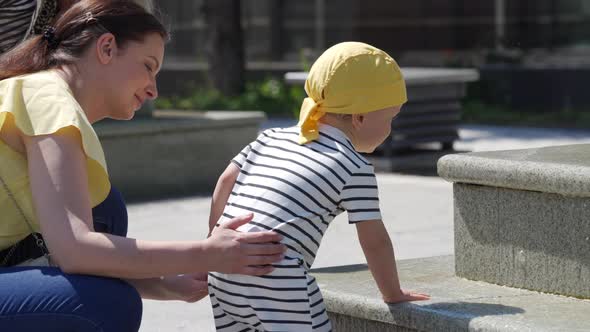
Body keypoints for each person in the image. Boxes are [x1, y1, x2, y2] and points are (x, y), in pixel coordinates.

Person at [0, 1, 286, 331]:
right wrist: (209, 253)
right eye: (148, 66)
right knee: (106, 303)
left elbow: (69, 252)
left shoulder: (39, 90)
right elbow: (74, 251)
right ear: (106, 47)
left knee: (105, 211)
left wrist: (164, 285)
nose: (153, 90)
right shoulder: (49, 99)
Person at [207, 41, 431, 331]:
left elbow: (225, 182)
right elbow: (374, 242)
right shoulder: (354, 166)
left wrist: (211, 246)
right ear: (359, 118)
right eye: (391, 118)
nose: (391, 129)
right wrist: (393, 293)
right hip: (277, 276)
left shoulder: (270, 137)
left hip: (224, 269)